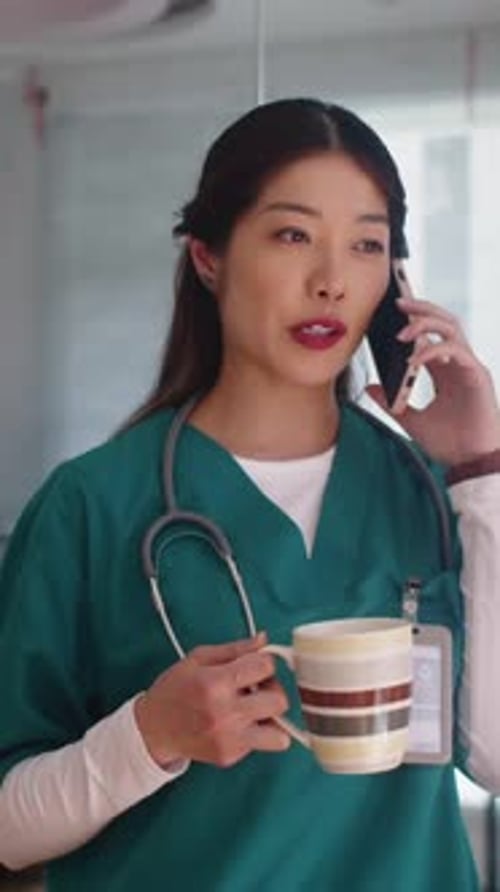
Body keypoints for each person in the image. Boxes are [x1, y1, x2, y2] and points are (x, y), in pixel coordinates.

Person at [1, 97, 500, 892]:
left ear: (394, 278)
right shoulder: (92, 506)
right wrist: (148, 737)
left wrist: (483, 469)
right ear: (208, 256)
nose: (332, 281)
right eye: (293, 235)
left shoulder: (440, 493)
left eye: (366, 245)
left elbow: (493, 757)